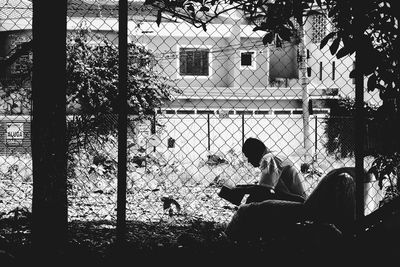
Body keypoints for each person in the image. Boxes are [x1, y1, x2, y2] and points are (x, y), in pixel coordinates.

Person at [242, 137, 307, 203]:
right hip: (299, 199)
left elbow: (264, 190)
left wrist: (242, 190)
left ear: (255, 152)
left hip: (297, 203)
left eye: (249, 156)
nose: (249, 161)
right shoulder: (276, 155)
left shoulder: (268, 158)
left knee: (255, 198)